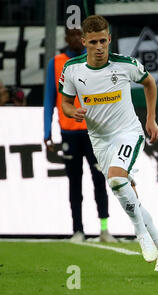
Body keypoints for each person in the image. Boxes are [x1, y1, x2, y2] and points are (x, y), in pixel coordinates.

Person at [59, 15, 158, 271]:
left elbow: (149, 83)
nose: (99, 47)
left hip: (127, 133)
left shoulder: (124, 65)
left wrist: (151, 119)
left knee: (115, 178)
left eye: (103, 41)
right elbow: (66, 102)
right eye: (94, 42)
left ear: (109, 39)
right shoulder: (73, 70)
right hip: (99, 140)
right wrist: (71, 111)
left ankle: (140, 234)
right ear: (84, 41)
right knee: (126, 190)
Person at [44, 27, 116, 243]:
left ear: (84, 39)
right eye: (72, 35)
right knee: (75, 182)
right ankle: (78, 229)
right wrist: (47, 131)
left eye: (79, 35)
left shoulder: (95, 61)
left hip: (95, 132)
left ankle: (104, 229)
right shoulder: (56, 63)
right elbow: (49, 98)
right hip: (69, 133)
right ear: (67, 38)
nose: (76, 39)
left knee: (100, 180)